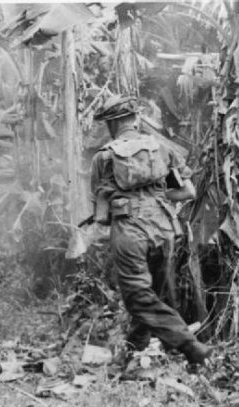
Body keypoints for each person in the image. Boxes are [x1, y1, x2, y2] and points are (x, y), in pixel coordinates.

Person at [90, 95, 211, 364]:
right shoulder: (162, 149)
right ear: (135, 119)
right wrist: (156, 199)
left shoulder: (104, 157)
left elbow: (100, 215)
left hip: (130, 231)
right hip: (164, 228)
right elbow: (188, 191)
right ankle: (134, 352)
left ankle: (190, 346)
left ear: (112, 124)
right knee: (156, 294)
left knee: (137, 297)